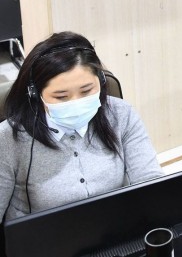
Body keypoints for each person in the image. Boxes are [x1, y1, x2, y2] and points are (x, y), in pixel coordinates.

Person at [0, 32, 162, 221]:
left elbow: (151, 184)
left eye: (86, 91)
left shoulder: (121, 114)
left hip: (114, 230)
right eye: (61, 96)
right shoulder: (8, 138)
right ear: (35, 94)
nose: (76, 102)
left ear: (101, 81)